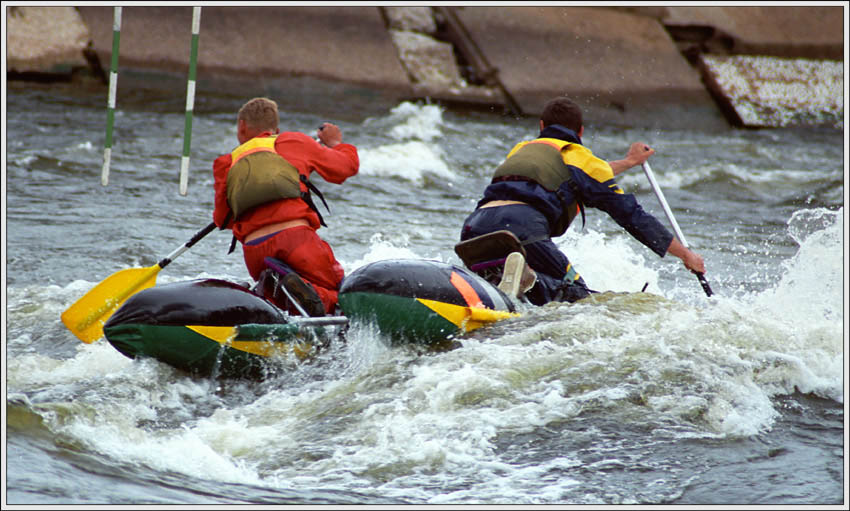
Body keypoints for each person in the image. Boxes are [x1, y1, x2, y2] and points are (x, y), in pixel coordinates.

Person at [459, 96, 705, 305]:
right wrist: (686, 255)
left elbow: (575, 177)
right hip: (524, 228)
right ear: (580, 131)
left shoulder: (523, 149)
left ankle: (503, 287)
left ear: (542, 125)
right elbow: (634, 217)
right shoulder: (580, 158)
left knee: (501, 280)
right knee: (577, 296)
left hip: (475, 228)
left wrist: (628, 162)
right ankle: (529, 280)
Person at [212, 97, 359, 316]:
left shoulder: (226, 163)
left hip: (255, 252)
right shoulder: (295, 142)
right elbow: (346, 168)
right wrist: (336, 144)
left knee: (284, 305)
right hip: (297, 240)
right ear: (276, 129)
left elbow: (222, 219)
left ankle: (290, 286)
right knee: (340, 293)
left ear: (242, 126)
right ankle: (314, 294)